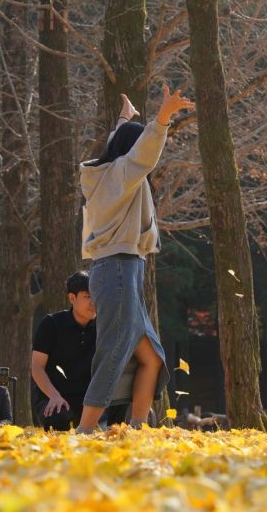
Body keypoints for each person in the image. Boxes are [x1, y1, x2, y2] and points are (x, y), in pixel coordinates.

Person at [77, 86, 194, 433]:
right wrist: (163, 117)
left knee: (151, 357)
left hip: (122, 270)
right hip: (118, 269)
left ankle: (138, 427)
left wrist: (124, 118)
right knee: (115, 348)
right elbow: (143, 153)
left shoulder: (108, 174)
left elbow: (124, 145)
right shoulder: (123, 175)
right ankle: (86, 427)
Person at [31, 272, 127, 430]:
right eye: (88, 296)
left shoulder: (104, 327)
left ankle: (113, 434)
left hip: (91, 398)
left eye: (96, 296)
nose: (93, 302)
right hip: (55, 395)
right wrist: (54, 396)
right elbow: (37, 367)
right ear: (72, 298)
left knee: (121, 396)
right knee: (58, 419)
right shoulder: (51, 324)